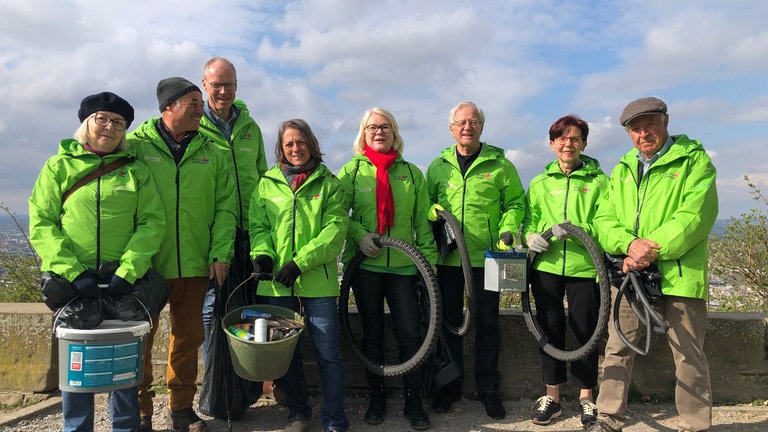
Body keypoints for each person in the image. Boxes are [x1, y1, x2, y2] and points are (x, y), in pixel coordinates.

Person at [28, 92, 165, 432]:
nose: (110, 127)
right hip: (74, 283)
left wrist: (129, 270)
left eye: (119, 123)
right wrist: (73, 271)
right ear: (86, 123)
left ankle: (124, 426)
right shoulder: (58, 167)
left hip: (123, 283)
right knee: (77, 365)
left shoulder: (137, 171)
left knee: (121, 363)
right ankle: (76, 428)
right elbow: (42, 222)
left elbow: (152, 222)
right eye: (102, 119)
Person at [587, 97, 718, 432]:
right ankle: (609, 416)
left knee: (688, 354)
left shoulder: (693, 161)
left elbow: (695, 216)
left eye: (649, 124)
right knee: (618, 347)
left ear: (666, 122)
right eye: (635, 128)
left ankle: (696, 423)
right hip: (631, 274)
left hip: (678, 274)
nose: (643, 133)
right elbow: (603, 218)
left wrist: (650, 248)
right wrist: (630, 245)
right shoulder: (622, 169)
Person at [128, 77, 236, 432]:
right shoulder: (134, 147)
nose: (200, 108)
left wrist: (220, 252)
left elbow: (225, 208)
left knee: (188, 339)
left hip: (194, 261)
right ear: (168, 107)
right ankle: (140, 411)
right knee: (139, 338)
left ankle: (181, 409)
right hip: (146, 264)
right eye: (192, 102)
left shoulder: (213, 152)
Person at [337, 108, 438, 430]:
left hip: (406, 267)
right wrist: (359, 234)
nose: (378, 132)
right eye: (371, 127)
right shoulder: (352, 172)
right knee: (372, 333)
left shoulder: (411, 173)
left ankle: (413, 402)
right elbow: (338, 214)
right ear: (363, 133)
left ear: (394, 132)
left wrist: (428, 264)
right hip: (366, 267)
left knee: (410, 333)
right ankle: (377, 399)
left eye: (384, 127)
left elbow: (422, 220)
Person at [425, 101, 526, 420]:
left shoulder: (501, 164)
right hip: (450, 259)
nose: (467, 127)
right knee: (450, 324)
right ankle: (450, 389)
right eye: (461, 122)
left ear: (482, 127)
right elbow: (426, 203)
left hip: (492, 257)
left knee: (488, 325)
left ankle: (488, 391)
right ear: (451, 128)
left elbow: (516, 204)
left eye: (474, 122)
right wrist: (432, 212)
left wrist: (508, 230)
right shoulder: (437, 166)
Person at [249, 119, 349, 432]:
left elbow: (334, 232)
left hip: (317, 282)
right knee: (285, 354)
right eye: (289, 144)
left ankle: (334, 419)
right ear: (281, 148)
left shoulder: (329, 184)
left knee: (328, 354)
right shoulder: (267, 184)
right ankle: (298, 412)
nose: (296, 149)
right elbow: (259, 226)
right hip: (277, 285)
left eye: (301, 142)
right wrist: (262, 255)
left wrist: (299, 262)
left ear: (311, 144)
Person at [521, 115, 609, 427]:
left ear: (584, 143)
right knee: (549, 329)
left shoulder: (599, 182)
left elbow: (604, 222)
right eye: (561, 138)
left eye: (574, 138)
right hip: (545, 267)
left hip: (585, 267)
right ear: (552, 144)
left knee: (587, 329)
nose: (567, 144)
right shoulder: (540, 183)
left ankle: (587, 397)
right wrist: (532, 236)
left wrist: (575, 229)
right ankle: (553, 397)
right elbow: (529, 220)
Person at [199, 56, 268, 363]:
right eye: (217, 85)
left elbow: (265, 178)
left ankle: (249, 379)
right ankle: (215, 378)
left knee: (252, 304)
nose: (223, 92)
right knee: (213, 307)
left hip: (252, 231)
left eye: (229, 85)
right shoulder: (195, 126)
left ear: (237, 86)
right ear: (205, 85)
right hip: (214, 232)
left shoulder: (251, 127)